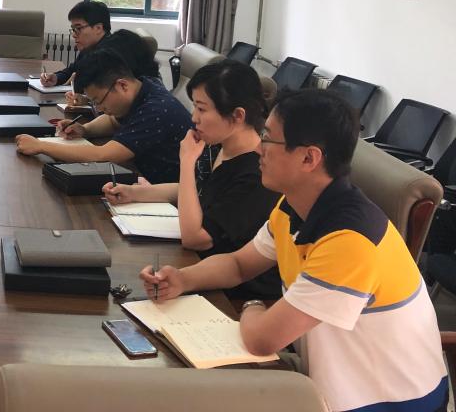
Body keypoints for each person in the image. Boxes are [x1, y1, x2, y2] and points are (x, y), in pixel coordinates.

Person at [139, 89, 447, 412]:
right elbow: (239, 265)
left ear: (309, 158)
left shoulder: (350, 239)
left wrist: (253, 306)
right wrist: (182, 279)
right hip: (332, 378)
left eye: (268, 139)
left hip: (390, 401)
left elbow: (262, 339)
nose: (258, 148)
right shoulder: (293, 206)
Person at [104, 60, 281, 299]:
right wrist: (134, 193)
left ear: (238, 115)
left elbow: (196, 238)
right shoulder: (219, 145)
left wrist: (187, 161)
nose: (194, 118)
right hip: (198, 271)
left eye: (202, 109)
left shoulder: (256, 174)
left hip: (231, 294)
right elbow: (196, 190)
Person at [16, 48, 191, 183]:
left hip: (171, 198)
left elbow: (102, 156)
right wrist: (85, 129)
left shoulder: (155, 110)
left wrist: (40, 146)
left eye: (99, 100)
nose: (99, 108)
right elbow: (114, 121)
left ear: (122, 85)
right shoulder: (144, 86)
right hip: (143, 178)